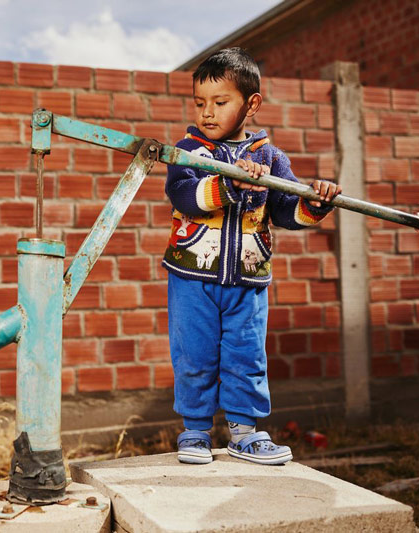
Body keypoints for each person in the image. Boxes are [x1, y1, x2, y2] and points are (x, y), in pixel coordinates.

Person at [163, 47, 342, 466]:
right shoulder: (189, 151)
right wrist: (233, 184)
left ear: (251, 104)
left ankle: (245, 433)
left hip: (248, 278)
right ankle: (195, 431)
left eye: (220, 102)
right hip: (192, 276)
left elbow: (285, 212)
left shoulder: (270, 159)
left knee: (247, 355)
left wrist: (315, 203)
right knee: (194, 353)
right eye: (200, 103)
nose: (208, 112)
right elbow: (185, 196)